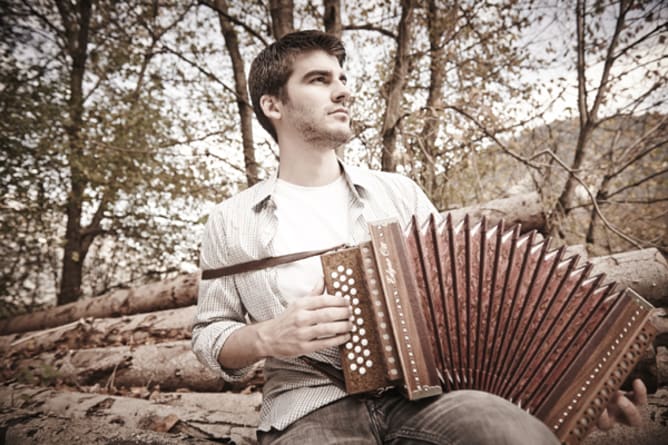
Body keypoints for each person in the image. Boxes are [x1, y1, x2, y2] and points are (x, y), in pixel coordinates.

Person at [192, 30, 647, 444]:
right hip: (309, 408)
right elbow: (210, 335)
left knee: (510, 432)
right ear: (274, 105)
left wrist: (583, 387)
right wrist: (268, 338)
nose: (343, 90)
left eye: (343, 78)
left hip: (426, 397)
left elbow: (478, 305)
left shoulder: (399, 193)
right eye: (318, 79)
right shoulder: (232, 221)